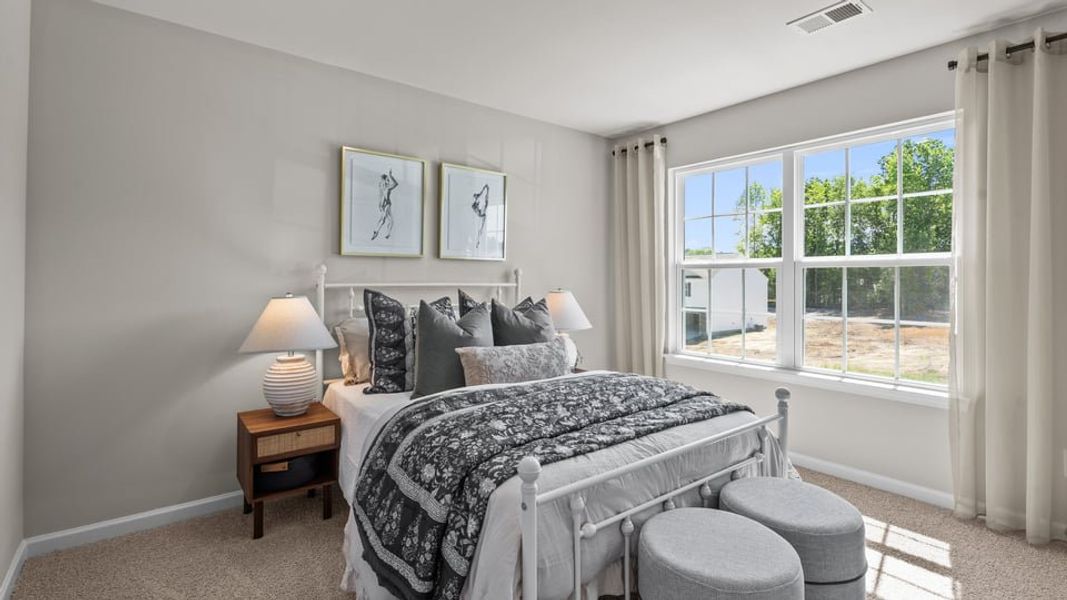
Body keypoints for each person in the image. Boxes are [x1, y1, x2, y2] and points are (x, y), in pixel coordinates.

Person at [371, 169, 399, 241]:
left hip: (386, 205)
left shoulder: (383, 187)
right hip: (386, 205)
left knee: (390, 221)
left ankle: (386, 233)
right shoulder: (386, 188)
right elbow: (396, 184)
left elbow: (395, 184)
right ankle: (376, 231)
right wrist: (390, 175)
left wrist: (390, 176)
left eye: (388, 180)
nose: (388, 181)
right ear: (384, 180)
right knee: (383, 220)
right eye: (387, 180)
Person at [471, 183, 489, 248]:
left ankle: (478, 242)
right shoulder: (474, 205)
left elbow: (482, 192)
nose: (475, 198)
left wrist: (485, 188)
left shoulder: (480, 198)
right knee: (479, 230)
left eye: (475, 197)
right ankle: (477, 242)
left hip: (483, 215)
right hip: (481, 216)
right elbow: (477, 211)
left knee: (481, 230)